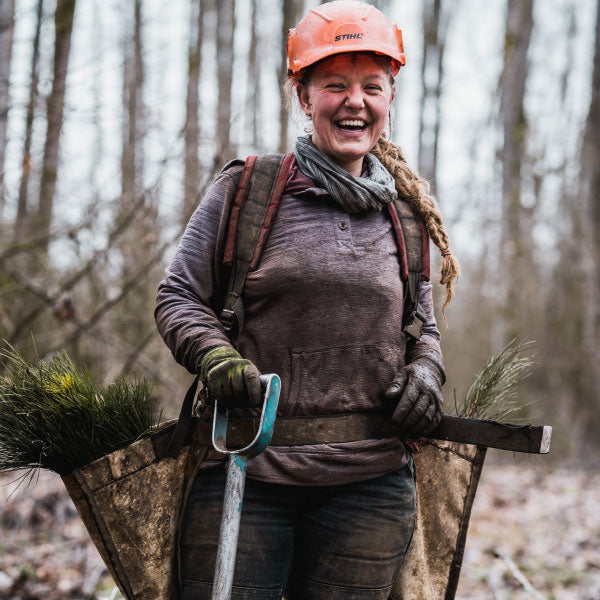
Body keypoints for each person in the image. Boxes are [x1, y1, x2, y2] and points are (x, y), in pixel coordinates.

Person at [155, 2, 459, 598]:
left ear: (390, 97)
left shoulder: (406, 211)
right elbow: (179, 297)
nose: (355, 101)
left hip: (372, 486)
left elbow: (421, 325)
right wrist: (216, 359)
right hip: (249, 468)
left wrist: (426, 372)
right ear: (303, 95)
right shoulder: (249, 190)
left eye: (372, 86)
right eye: (335, 85)